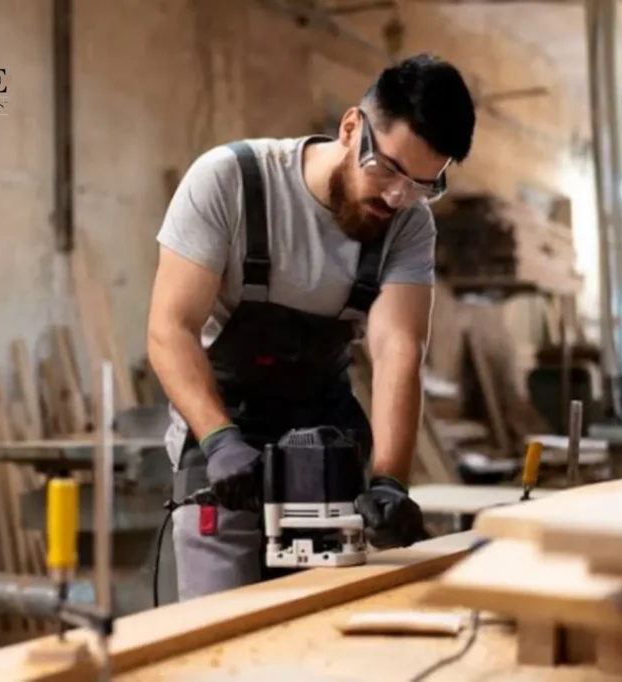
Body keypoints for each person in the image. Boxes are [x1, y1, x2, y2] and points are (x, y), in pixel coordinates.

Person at [146, 53, 476, 602]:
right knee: (218, 628)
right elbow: (170, 328)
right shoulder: (232, 181)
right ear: (352, 128)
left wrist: (391, 480)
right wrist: (220, 439)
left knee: (326, 623)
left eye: (423, 185)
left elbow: (399, 350)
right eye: (388, 170)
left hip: (323, 442)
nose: (397, 197)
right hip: (223, 436)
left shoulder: (408, 225)